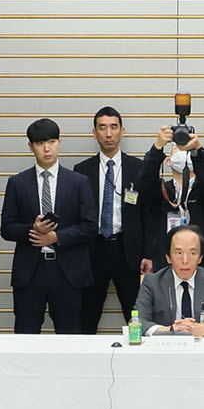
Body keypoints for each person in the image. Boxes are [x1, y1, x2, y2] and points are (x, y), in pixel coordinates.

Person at [1, 118, 96, 335]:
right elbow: (6, 228)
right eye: (39, 143)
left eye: (51, 141)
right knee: (26, 334)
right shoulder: (17, 182)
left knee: (70, 335)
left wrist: (56, 237)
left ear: (59, 142)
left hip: (68, 272)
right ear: (30, 146)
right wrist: (32, 230)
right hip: (30, 273)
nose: (46, 148)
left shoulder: (78, 181)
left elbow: (90, 226)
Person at [75, 107, 149, 333]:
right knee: (87, 316)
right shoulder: (81, 170)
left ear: (122, 131)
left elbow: (150, 215)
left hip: (129, 252)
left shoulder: (139, 168)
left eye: (114, 127)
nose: (108, 133)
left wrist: (149, 253)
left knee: (136, 315)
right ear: (94, 133)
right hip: (93, 250)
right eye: (102, 127)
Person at [141, 118, 204, 268]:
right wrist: (157, 147)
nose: (184, 153)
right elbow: (144, 183)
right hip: (166, 264)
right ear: (168, 161)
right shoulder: (160, 190)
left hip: (203, 265)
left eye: (188, 151)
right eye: (178, 149)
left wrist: (198, 152)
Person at [136, 226, 204, 337]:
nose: (185, 260)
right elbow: (138, 321)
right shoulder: (152, 282)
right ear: (168, 257)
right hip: (165, 349)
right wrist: (170, 330)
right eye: (178, 253)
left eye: (192, 253)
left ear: (200, 258)